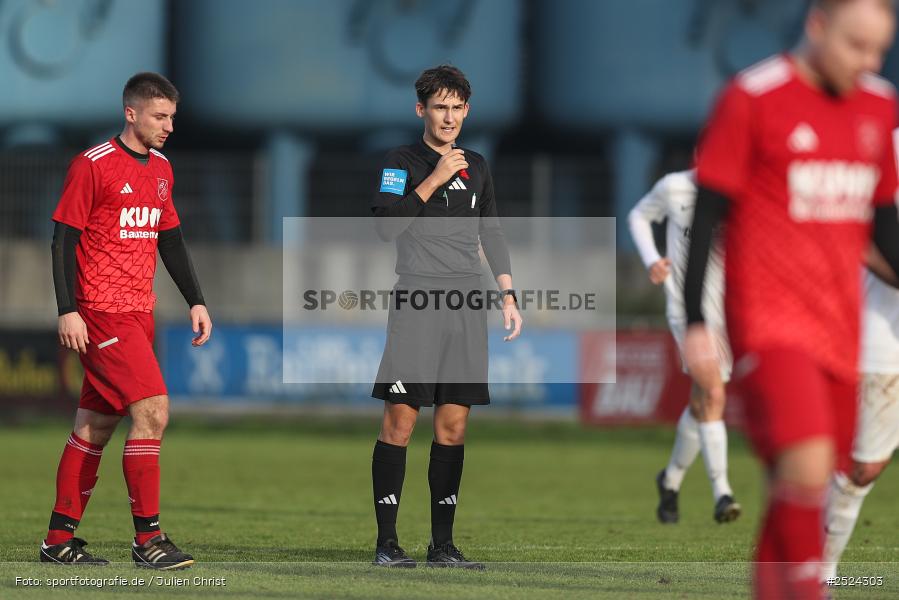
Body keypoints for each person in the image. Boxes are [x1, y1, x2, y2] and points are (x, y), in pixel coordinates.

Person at [682, 1, 899, 597]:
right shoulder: (753, 96)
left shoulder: (878, 106)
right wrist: (698, 321)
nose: (870, 61)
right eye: (857, 45)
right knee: (806, 466)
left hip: (840, 329)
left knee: (800, 486)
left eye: (880, 49)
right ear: (817, 26)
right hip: (769, 321)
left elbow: (882, 227)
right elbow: (707, 213)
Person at [41, 72, 211, 570]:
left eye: (172, 118)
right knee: (153, 409)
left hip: (140, 312)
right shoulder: (92, 165)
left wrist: (196, 300)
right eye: (160, 117)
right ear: (131, 113)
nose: (168, 127)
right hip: (99, 310)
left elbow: (171, 239)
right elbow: (62, 240)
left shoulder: (161, 168)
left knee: (94, 425)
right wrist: (67, 308)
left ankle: (58, 539)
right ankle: (148, 540)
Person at [368, 65, 522, 569]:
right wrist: (434, 178)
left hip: (465, 307)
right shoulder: (401, 161)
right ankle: (388, 544)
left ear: (466, 111)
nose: (449, 116)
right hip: (417, 301)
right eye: (440, 107)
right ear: (422, 110)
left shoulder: (477, 164)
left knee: (453, 427)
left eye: (457, 108)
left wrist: (507, 293)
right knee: (400, 423)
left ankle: (442, 546)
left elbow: (492, 232)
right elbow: (387, 228)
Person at [628, 169, 741, 525]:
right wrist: (651, 259)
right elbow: (638, 216)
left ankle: (670, 480)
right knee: (714, 394)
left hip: (731, 312)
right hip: (686, 311)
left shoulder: (745, 187)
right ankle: (723, 492)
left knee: (701, 401)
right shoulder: (675, 186)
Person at [823, 222, 899, 580]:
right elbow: (855, 239)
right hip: (881, 338)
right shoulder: (886, 168)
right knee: (864, 467)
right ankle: (819, 573)